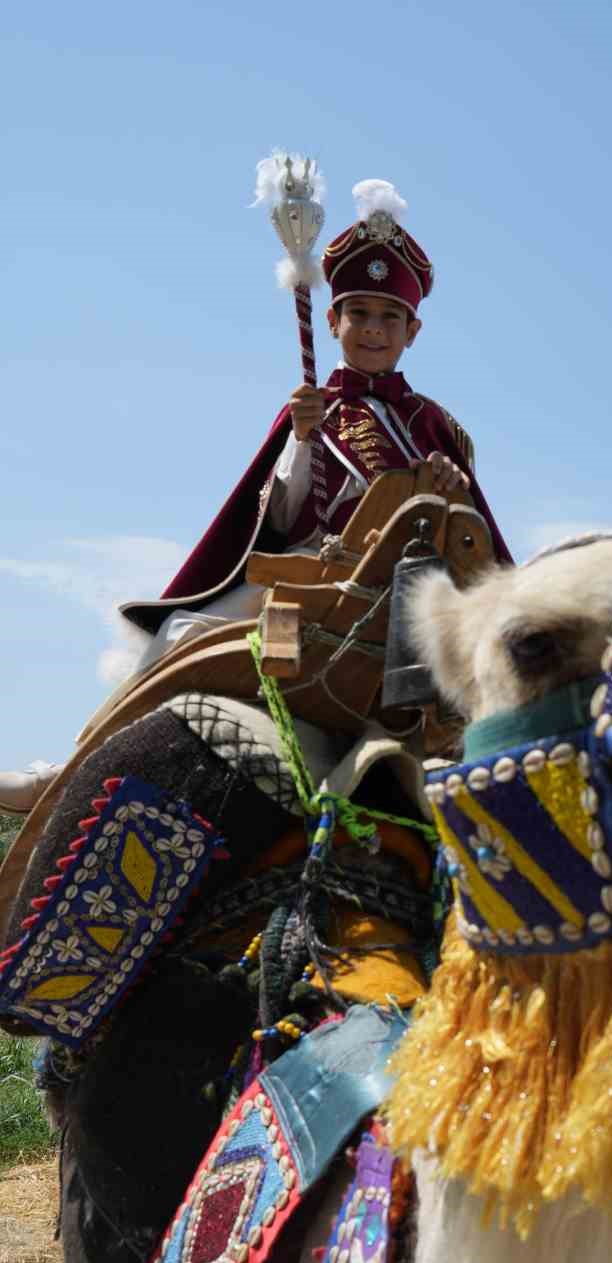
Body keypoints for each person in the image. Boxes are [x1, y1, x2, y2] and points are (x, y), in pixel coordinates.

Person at [0, 180, 510, 815]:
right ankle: (67, 774)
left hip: (406, 600)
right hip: (308, 577)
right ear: (333, 321)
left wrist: (453, 495)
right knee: (183, 634)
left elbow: (477, 549)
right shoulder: (311, 409)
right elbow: (280, 518)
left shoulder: (437, 427)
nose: (372, 330)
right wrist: (301, 439)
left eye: (388, 317)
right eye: (359, 313)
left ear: (413, 329)